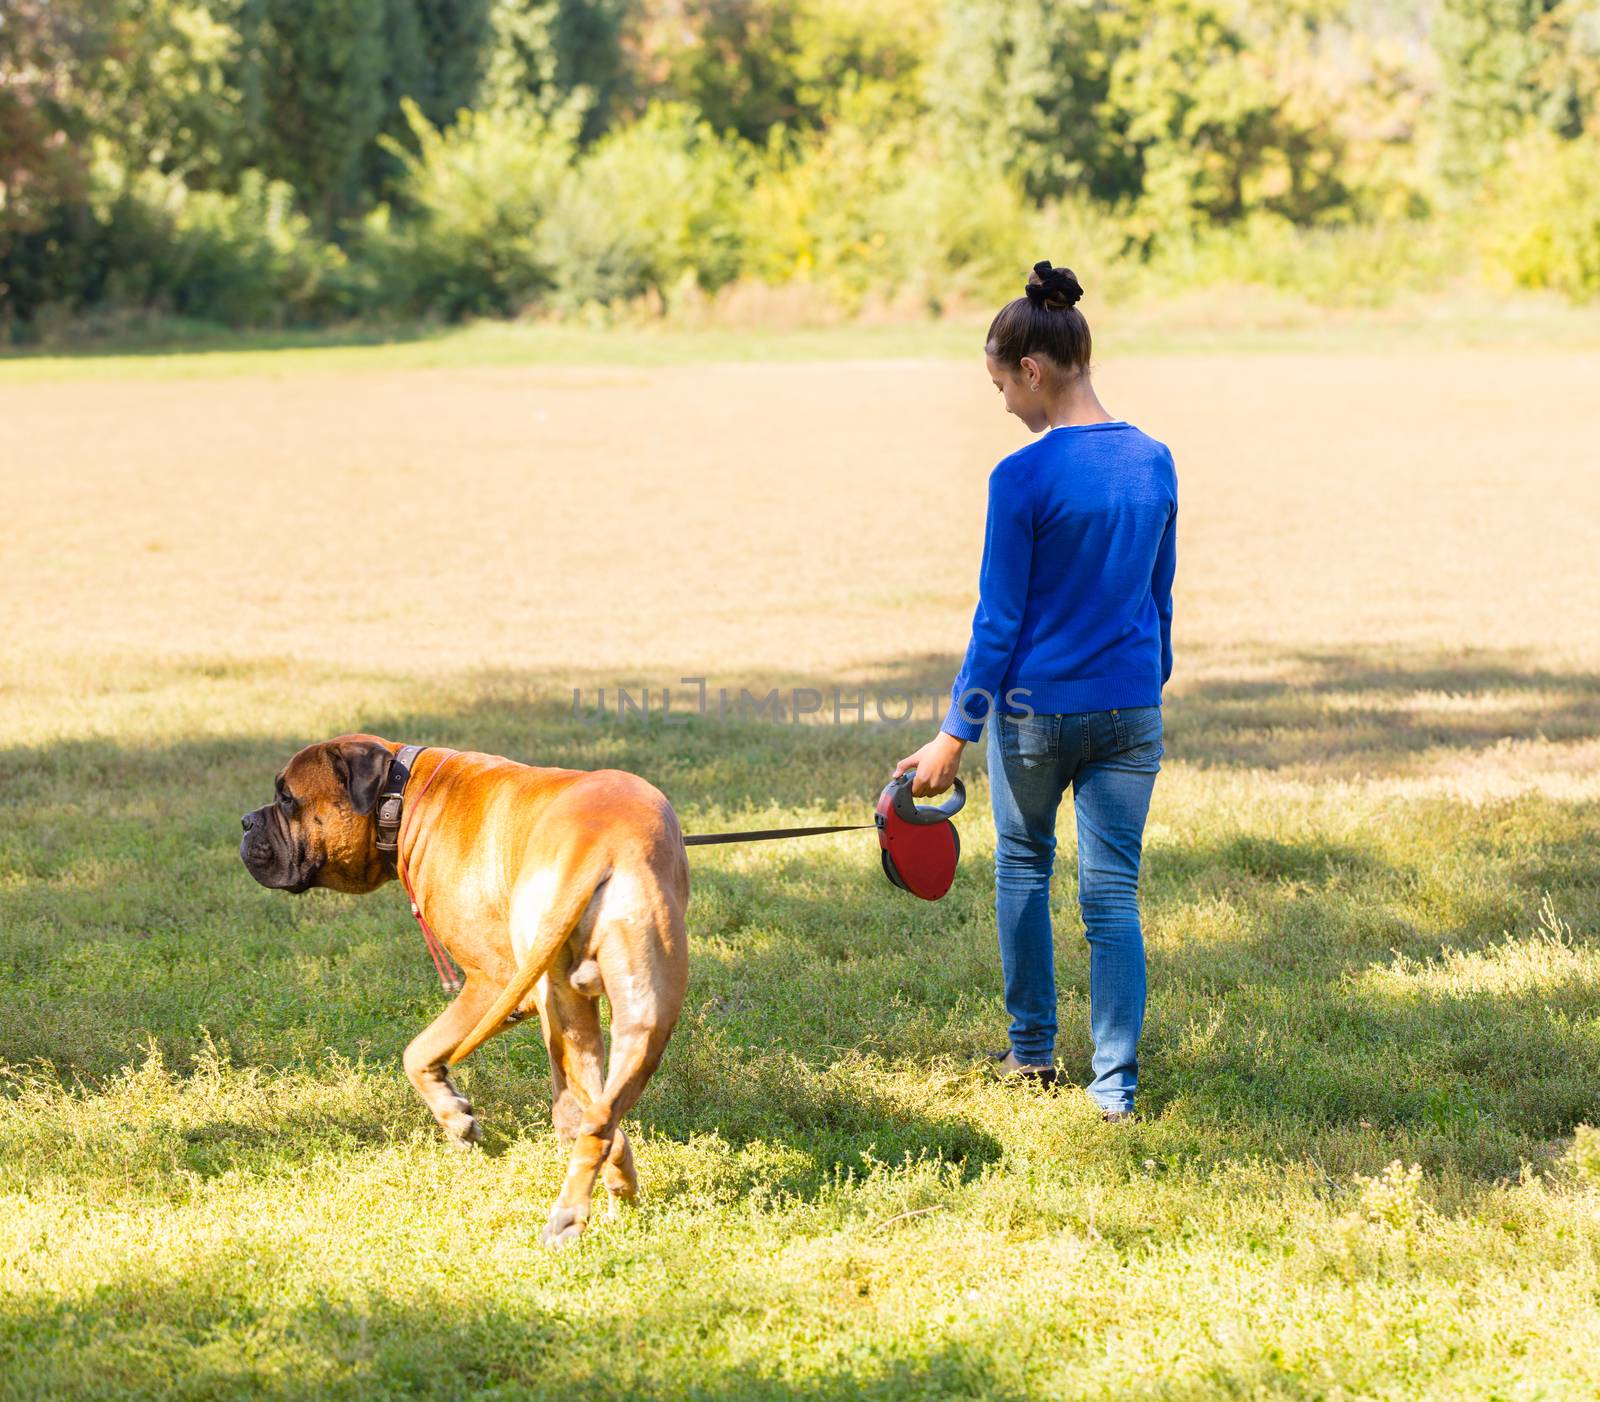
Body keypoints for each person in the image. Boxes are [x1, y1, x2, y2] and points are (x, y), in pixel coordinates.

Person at [893, 260, 1177, 1121]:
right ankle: (1115, 1090)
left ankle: (1031, 1055)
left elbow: (997, 622)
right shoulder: (1155, 461)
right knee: (1112, 895)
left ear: (1033, 369)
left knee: (1024, 865)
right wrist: (1138, 688)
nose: (1004, 406)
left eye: (999, 386)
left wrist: (953, 734)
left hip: (1036, 717)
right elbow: (1160, 600)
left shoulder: (1021, 477)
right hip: (1132, 711)